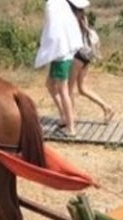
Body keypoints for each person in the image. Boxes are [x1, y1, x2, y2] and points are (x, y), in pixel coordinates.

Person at [34, 0, 90, 138]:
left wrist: (46, 51)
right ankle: (64, 116)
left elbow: (52, 31)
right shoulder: (61, 5)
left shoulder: (54, 5)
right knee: (50, 84)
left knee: (63, 90)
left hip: (61, 55)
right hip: (63, 53)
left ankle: (70, 127)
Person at [69, 8, 115, 124]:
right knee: (82, 89)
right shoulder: (85, 21)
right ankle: (106, 107)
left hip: (77, 57)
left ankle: (70, 116)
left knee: (69, 89)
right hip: (86, 57)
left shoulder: (74, 20)